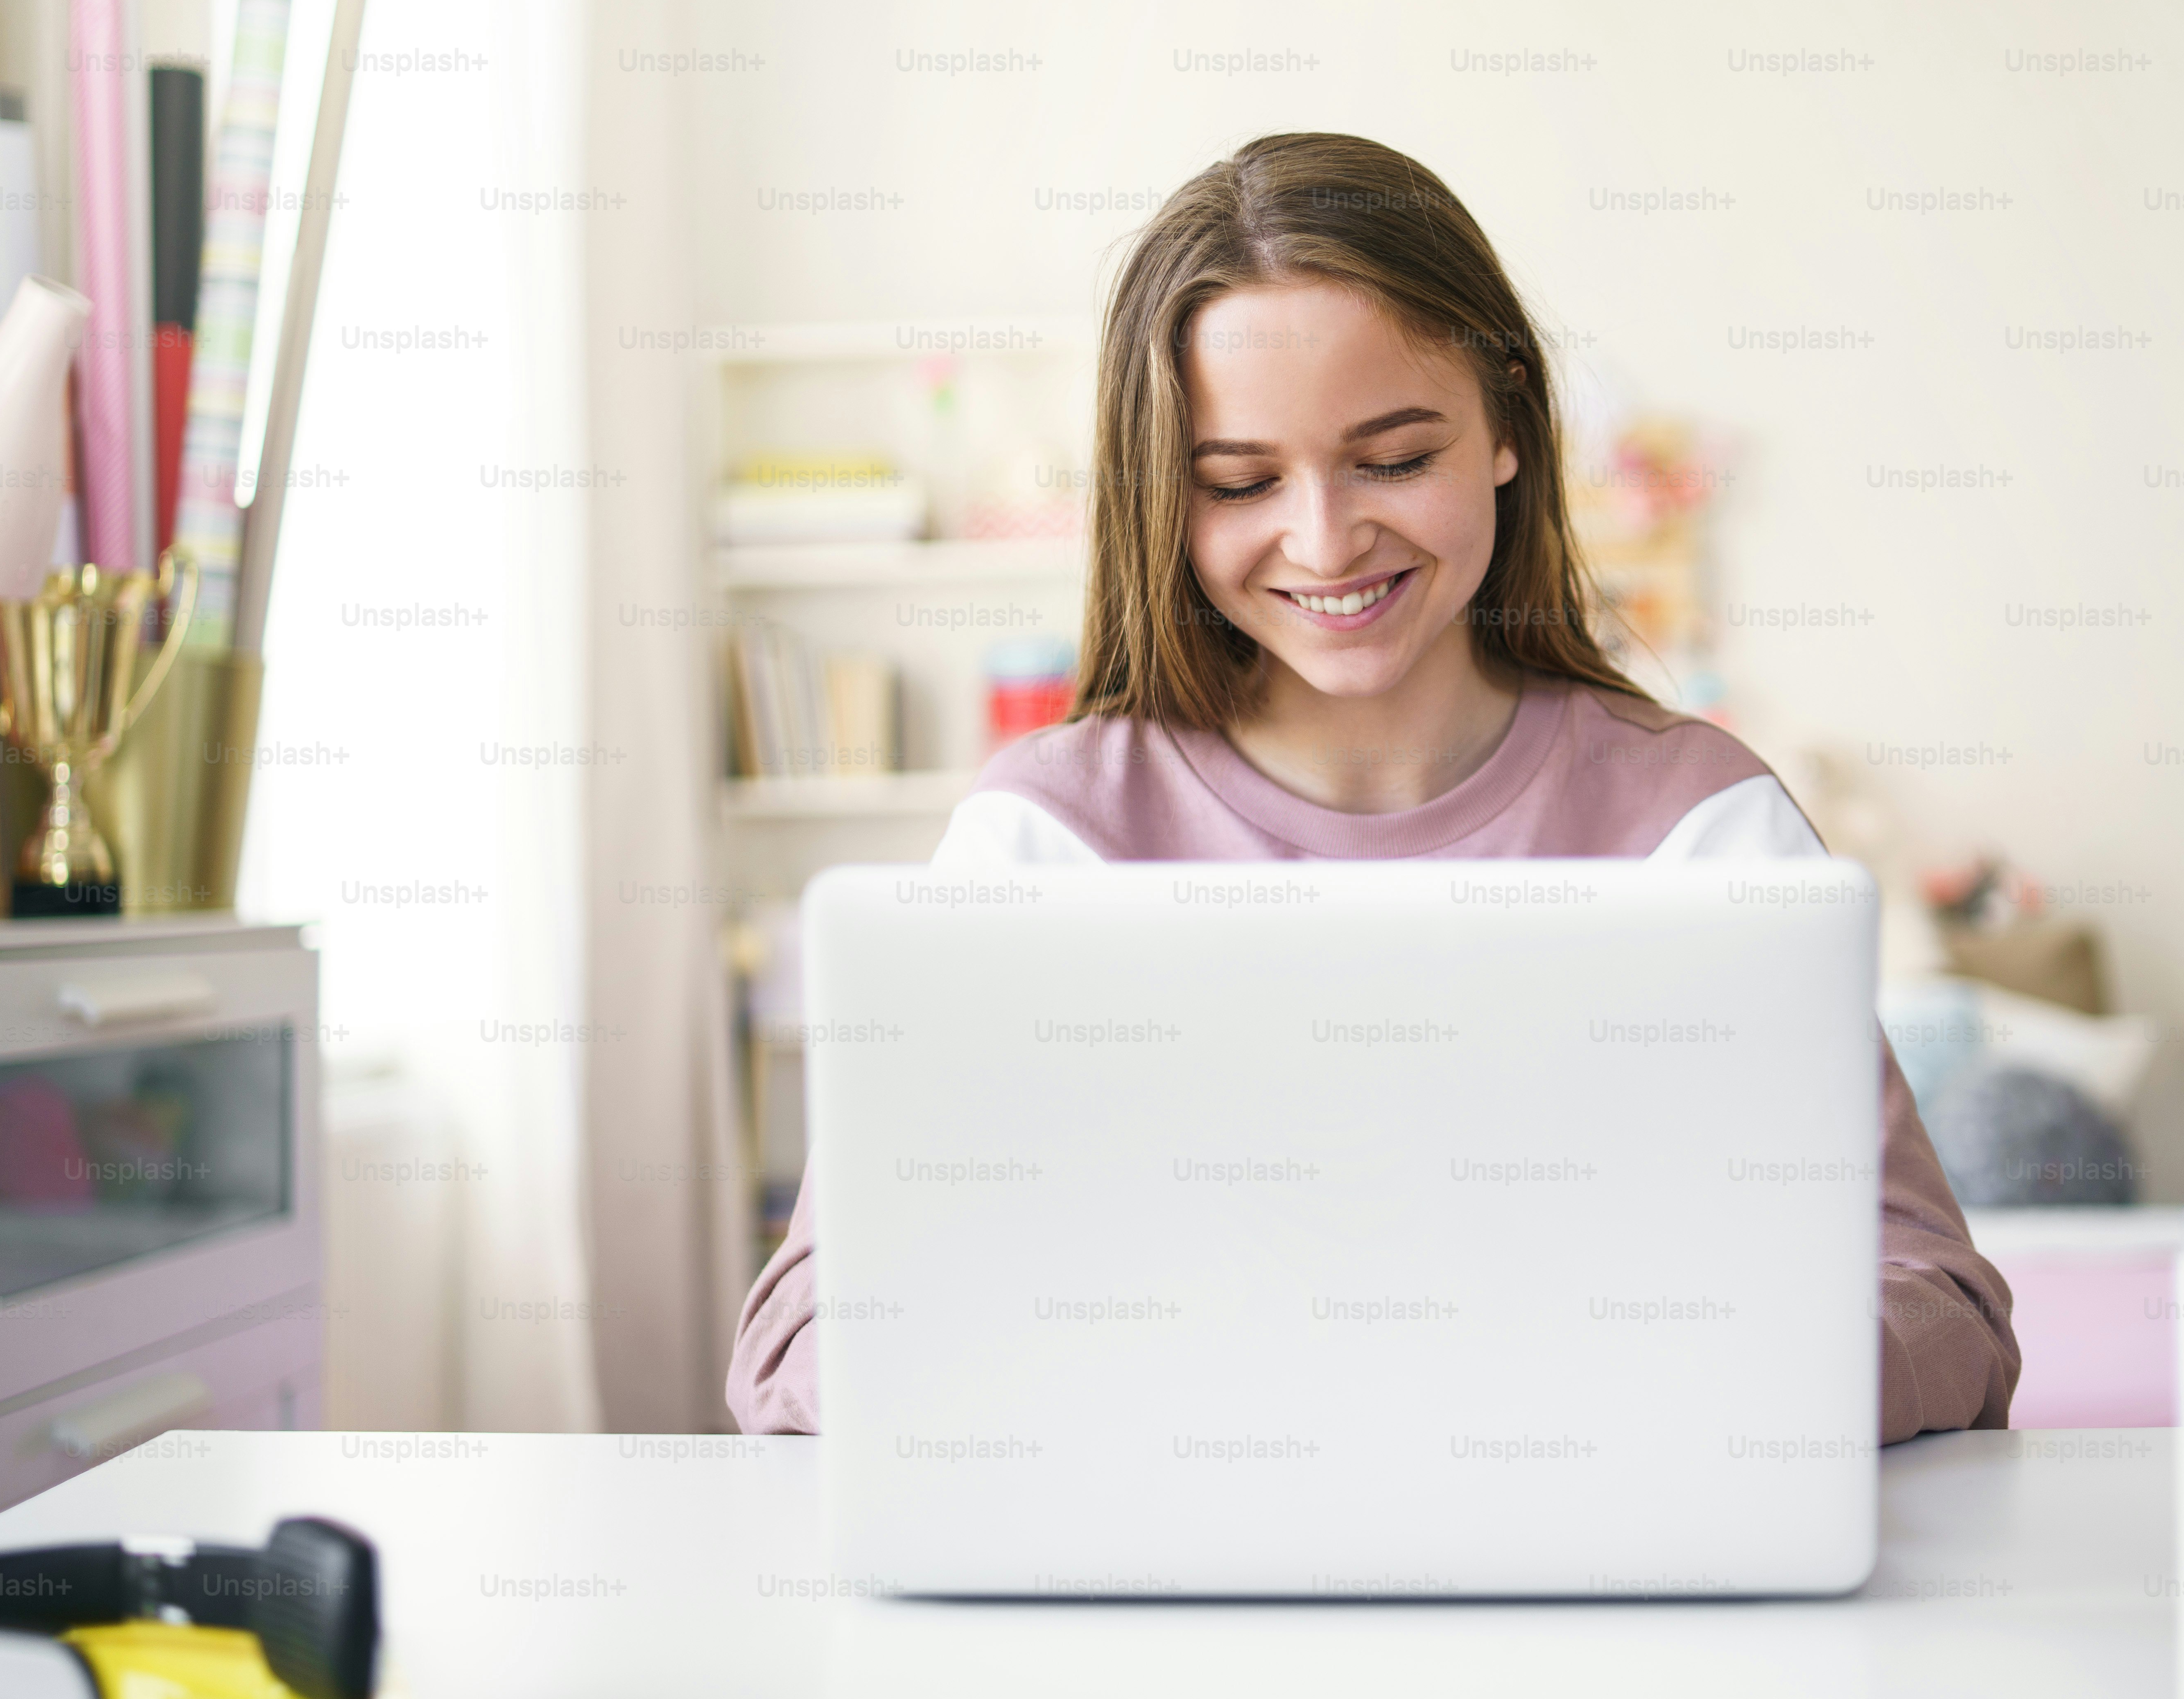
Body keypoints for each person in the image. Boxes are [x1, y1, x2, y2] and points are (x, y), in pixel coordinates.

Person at [729, 132, 2017, 1442]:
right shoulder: (1046, 838)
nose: (1326, 539)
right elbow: (799, 1341)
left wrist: (1678, 1378)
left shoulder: (1699, 825)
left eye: (1394, 459)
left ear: (1506, 426)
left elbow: (1939, 1303)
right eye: (1239, 482)